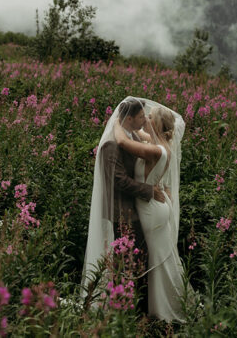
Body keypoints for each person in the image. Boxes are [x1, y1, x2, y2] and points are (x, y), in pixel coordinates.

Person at [82, 97, 165, 314]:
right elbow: (118, 180)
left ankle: (132, 307)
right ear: (129, 118)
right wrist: (149, 191)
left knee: (135, 259)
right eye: (140, 116)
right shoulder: (111, 144)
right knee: (129, 260)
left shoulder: (131, 135)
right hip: (122, 212)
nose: (144, 119)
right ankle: (126, 309)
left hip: (133, 208)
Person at [112, 100, 187, 322]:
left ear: (157, 124)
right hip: (158, 207)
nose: (146, 118)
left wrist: (118, 119)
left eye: (150, 117)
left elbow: (123, 142)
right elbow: (140, 136)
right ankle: (164, 305)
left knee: (158, 261)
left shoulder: (155, 149)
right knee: (163, 259)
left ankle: (163, 311)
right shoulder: (162, 143)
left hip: (150, 209)